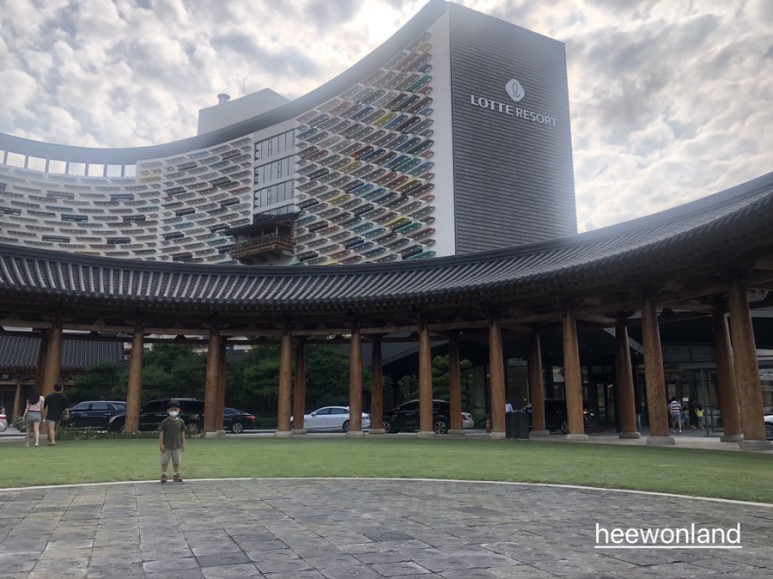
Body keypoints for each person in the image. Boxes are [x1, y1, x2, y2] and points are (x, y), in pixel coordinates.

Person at [159, 399, 186, 483]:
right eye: (171, 409)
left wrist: (183, 442)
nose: (173, 411)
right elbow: (161, 433)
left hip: (177, 445)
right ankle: (164, 474)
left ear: (179, 410)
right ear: (168, 410)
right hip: (167, 446)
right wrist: (161, 444)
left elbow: (182, 432)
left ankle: (176, 474)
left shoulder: (181, 422)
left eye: (175, 409)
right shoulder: (165, 422)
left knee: (176, 461)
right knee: (164, 461)